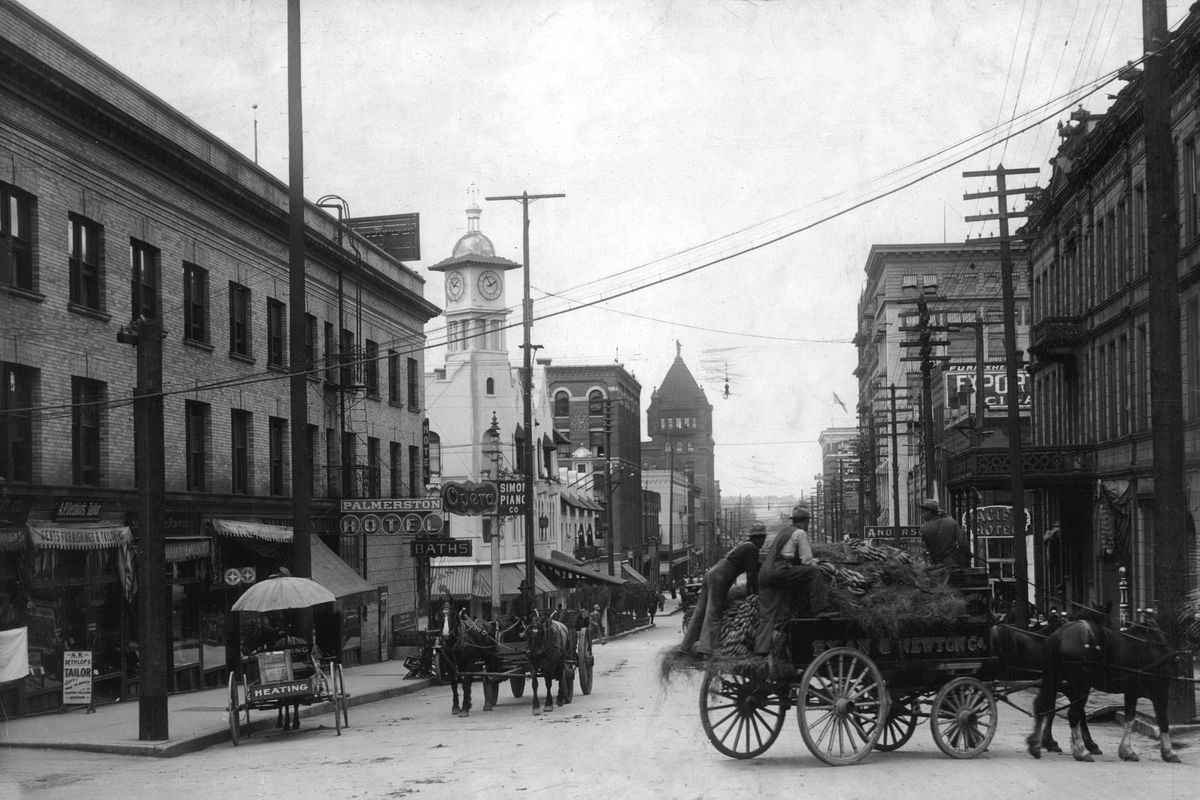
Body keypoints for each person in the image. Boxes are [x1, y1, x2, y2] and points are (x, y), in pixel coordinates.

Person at [754, 502, 833, 656]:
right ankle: (820, 609)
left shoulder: (785, 532)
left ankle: (761, 650)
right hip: (779, 572)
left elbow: (787, 555)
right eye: (808, 522)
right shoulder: (800, 533)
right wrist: (818, 564)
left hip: (765, 574)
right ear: (805, 521)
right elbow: (807, 561)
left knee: (767, 614)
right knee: (813, 573)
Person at [682, 523, 768, 657]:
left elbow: (756, 566)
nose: (763, 542)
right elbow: (751, 575)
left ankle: (685, 647)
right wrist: (753, 595)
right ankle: (707, 649)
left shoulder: (744, 546)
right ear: (759, 538)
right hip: (721, 577)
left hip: (712, 573)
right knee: (714, 612)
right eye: (763, 539)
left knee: (700, 611)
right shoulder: (752, 549)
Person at [918, 498, 971, 570]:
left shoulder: (924, 528)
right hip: (952, 564)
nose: (922, 516)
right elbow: (962, 543)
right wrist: (967, 555)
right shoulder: (952, 522)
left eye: (923, 513)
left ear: (930, 512)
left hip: (935, 567)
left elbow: (923, 549)